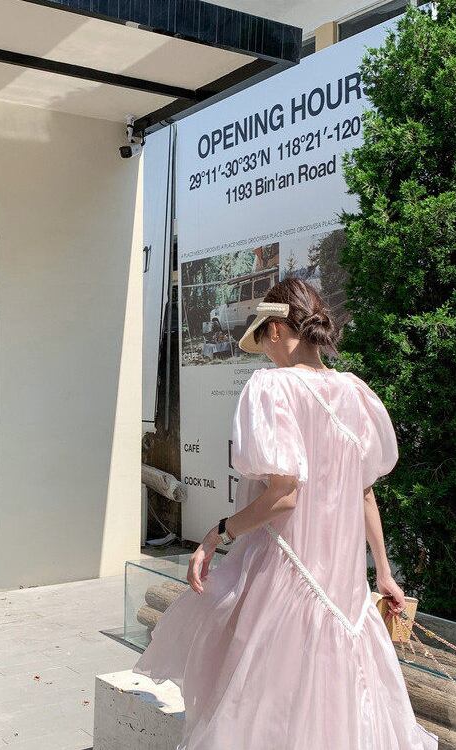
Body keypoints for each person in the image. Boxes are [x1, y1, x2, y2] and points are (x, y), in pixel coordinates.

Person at [133, 277, 438, 750]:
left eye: (263, 342)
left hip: (285, 579)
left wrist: (217, 533)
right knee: (342, 713)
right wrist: (384, 573)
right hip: (346, 593)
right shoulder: (356, 394)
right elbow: (364, 493)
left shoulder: (272, 388)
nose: (266, 356)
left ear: (275, 329)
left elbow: (284, 496)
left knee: (265, 713)